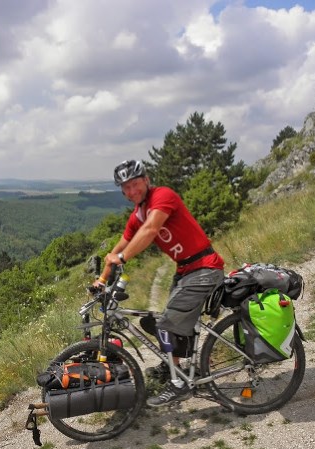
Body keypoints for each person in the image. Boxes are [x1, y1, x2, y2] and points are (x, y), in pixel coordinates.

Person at [94, 159, 224, 407]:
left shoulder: (163, 196)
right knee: (167, 322)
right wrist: (102, 277)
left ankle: (179, 384)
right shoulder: (137, 214)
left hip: (204, 268)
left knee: (166, 323)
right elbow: (124, 240)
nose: (132, 191)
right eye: (126, 188)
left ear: (146, 180)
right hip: (186, 271)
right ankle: (181, 369)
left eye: (135, 184)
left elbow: (151, 229)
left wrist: (122, 258)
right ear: (122, 191)